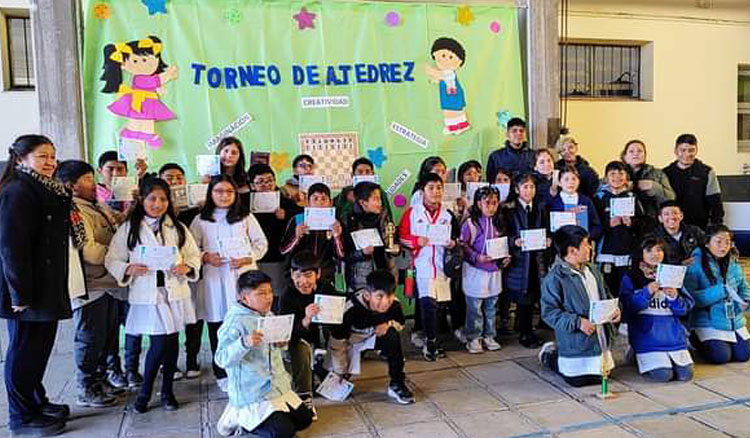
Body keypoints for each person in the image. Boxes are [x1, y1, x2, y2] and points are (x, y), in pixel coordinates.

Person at [0, 135, 81, 436]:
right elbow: (11, 246)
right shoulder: (18, 190)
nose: (50, 162)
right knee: (23, 351)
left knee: (39, 348)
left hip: (46, 286)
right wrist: (19, 293)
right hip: (26, 292)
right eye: (41, 156)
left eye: (52, 156)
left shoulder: (46, 188)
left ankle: (36, 402)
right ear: (21, 159)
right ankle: (21, 417)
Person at [105, 177, 202, 413]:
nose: (157, 204)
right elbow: (112, 258)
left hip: (174, 292)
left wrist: (187, 267)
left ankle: (167, 391)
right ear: (142, 200)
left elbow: (193, 255)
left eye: (163, 199)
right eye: (152, 199)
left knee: (170, 344)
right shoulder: (129, 228)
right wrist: (127, 268)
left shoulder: (177, 228)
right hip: (149, 295)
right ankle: (145, 393)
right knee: (159, 343)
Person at [188, 175, 268, 390]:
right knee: (218, 326)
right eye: (219, 191)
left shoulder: (245, 217)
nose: (224, 196)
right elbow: (191, 249)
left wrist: (247, 257)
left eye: (229, 191)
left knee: (245, 322)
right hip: (215, 279)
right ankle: (221, 371)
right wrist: (205, 256)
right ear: (210, 193)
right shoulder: (200, 220)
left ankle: (249, 366)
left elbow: (261, 243)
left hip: (241, 276)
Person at [56, 160, 126, 408]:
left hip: (107, 283)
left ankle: (100, 380)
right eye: (86, 179)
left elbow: (116, 226)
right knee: (89, 338)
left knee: (107, 337)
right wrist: (119, 254)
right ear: (70, 185)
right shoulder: (74, 211)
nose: (92, 184)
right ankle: (86, 387)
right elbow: (89, 251)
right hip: (91, 286)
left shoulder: (95, 206)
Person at [215, 271, 314, 437]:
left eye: (269, 291)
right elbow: (221, 359)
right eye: (261, 293)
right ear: (245, 297)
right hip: (254, 393)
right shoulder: (234, 323)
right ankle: (240, 419)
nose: (269, 297)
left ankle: (272, 418)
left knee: (305, 420)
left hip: (277, 386)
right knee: (283, 432)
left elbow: (275, 349)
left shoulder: (269, 314)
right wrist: (243, 343)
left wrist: (281, 344)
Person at [539, 225, 621, 387]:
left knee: (602, 377)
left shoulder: (593, 270)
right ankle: (550, 356)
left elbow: (606, 293)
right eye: (585, 244)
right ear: (572, 250)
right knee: (577, 382)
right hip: (575, 340)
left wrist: (615, 310)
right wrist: (578, 322)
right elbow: (549, 312)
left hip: (599, 336)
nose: (590, 248)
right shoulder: (555, 278)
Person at [328, 270, 415, 404]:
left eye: (389, 295)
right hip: (349, 343)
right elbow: (337, 342)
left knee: (392, 335)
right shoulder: (350, 309)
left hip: (372, 337)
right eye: (379, 296)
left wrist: (388, 323)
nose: (385, 302)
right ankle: (321, 362)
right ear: (367, 295)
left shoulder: (395, 305)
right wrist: (340, 371)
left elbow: (401, 324)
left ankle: (397, 383)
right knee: (332, 379)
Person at [399, 172, 460, 361]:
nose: (435, 192)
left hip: (442, 267)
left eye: (439, 188)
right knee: (428, 304)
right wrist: (417, 240)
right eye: (431, 188)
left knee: (440, 306)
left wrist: (453, 244)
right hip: (421, 265)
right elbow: (401, 238)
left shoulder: (447, 214)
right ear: (422, 191)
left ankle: (434, 339)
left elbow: (457, 239)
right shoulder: (412, 212)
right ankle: (430, 342)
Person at [620, 237, 695, 382]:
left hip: (673, 338)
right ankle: (636, 353)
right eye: (649, 250)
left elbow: (684, 309)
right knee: (664, 376)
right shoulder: (631, 276)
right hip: (647, 337)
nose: (655, 254)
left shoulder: (673, 274)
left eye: (659, 250)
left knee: (686, 375)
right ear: (641, 253)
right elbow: (627, 308)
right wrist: (646, 292)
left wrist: (674, 297)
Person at [276, 251, 339, 419]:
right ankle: (305, 397)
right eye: (297, 276)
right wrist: (306, 319)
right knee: (301, 350)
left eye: (308, 275)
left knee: (340, 341)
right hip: (297, 340)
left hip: (321, 341)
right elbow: (286, 335)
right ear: (291, 274)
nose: (303, 282)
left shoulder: (326, 287)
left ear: (317, 274)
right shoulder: (287, 296)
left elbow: (339, 312)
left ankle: (326, 372)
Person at [683, 224, 750, 364]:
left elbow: (744, 288)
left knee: (743, 355)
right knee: (720, 357)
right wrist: (720, 291)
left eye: (727, 242)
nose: (724, 246)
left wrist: (746, 302)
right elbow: (691, 297)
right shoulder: (695, 263)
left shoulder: (734, 262)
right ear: (707, 243)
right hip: (707, 321)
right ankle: (694, 338)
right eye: (718, 242)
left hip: (733, 319)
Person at [459, 186, 510, 353]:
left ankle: (489, 335)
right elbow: (463, 245)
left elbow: (504, 244)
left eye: (494, 203)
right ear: (478, 204)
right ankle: (473, 337)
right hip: (475, 271)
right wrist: (476, 257)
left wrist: (506, 258)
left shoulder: (500, 222)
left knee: (491, 306)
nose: (491, 207)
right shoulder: (470, 224)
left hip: (494, 271)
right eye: (487, 203)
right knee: (474, 307)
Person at [504, 173, 550, 348]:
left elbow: (548, 230)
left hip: (537, 259)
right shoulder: (509, 209)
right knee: (523, 296)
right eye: (525, 187)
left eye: (532, 187)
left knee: (533, 294)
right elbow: (502, 233)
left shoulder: (540, 207)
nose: (529, 190)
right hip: (519, 260)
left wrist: (549, 240)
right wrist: (513, 241)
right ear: (516, 189)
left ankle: (527, 330)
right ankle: (525, 333)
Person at [248, 163, 301, 295]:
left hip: (276, 257)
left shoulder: (285, 201)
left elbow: (299, 217)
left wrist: (286, 215)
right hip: (253, 257)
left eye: (270, 180)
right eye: (260, 182)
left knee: (276, 293)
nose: (266, 184)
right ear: (252, 185)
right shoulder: (245, 203)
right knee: (255, 293)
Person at [280, 182, 344, 288]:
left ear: (331, 202)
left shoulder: (336, 223)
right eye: (315, 199)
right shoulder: (298, 220)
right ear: (308, 202)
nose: (320, 203)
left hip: (325, 276)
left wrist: (337, 237)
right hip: (299, 277)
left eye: (324, 199)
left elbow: (341, 255)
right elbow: (283, 250)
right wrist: (296, 237)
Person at [593, 161, 641, 295]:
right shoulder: (599, 197)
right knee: (606, 288)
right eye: (612, 174)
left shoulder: (632, 197)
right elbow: (593, 223)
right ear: (606, 177)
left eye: (621, 173)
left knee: (626, 288)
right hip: (606, 251)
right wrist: (607, 224)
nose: (617, 177)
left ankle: (625, 315)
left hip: (627, 251)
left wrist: (631, 223)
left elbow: (643, 222)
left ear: (626, 177)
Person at [342, 181, 398, 293]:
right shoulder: (349, 220)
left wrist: (396, 248)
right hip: (361, 279)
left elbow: (393, 240)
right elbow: (345, 255)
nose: (380, 203)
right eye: (376, 199)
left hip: (385, 275)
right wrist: (362, 253)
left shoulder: (384, 216)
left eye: (380, 198)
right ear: (363, 202)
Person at [663, 133, 724, 229]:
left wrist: (715, 228)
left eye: (691, 150)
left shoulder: (706, 172)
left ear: (696, 151)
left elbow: (716, 204)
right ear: (675, 151)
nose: (687, 154)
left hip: (700, 228)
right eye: (682, 150)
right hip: (672, 228)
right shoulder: (665, 173)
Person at [620, 139, 674, 228]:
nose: (636, 154)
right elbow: (602, 190)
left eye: (640, 151)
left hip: (652, 223)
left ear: (645, 155)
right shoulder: (616, 174)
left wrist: (654, 187)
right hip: (624, 224)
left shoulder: (657, 173)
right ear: (625, 156)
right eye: (631, 151)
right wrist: (621, 187)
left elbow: (671, 198)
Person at [425, 37, 470, 135]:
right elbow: (441, 78)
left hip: (452, 94)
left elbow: (441, 76)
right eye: (443, 55)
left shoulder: (449, 72)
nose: (444, 60)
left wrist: (430, 71)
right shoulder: (447, 72)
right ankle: (461, 125)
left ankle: (455, 127)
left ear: (459, 62)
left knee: (450, 111)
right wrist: (435, 80)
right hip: (451, 94)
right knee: (455, 110)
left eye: (450, 57)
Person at [548, 166, 602, 241]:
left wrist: (588, 236)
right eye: (566, 179)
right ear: (559, 183)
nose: (571, 182)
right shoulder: (553, 202)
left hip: (582, 245)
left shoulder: (586, 201)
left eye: (574, 179)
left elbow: (596, 225)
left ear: (579, 181)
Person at [333, 157, 392, 222]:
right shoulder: (346, 193)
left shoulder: (380, 193)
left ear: (373, 174)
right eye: (360, 172)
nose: (364, 175)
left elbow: (387, 217)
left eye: (367, 172)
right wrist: (352, 204)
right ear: (352, 175)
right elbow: (337, 216)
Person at [95, 150, 147, 221]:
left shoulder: (135, 190)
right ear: (99, 171)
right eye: (110, 169)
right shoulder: (93, 193)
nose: (116, 174)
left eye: (120, 169)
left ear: (126, 171)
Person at [652, 200, 705, 265]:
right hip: (670, 272)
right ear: (660, 218)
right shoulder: (654, 237)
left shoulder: (694, 231)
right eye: (666, 214)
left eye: (675, 213)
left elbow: (707, 247)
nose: (671, 217)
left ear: (681, 216)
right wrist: (680, 263)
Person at [205, 137, 251, 210]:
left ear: (240, 156)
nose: (229, 156)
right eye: (226, 151)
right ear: (219, 152)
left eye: (234, 153)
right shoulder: (210, 178)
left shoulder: (247, 178)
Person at [486, 117, 533, 182]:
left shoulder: (533, 155)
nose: (518, 133)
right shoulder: (495, 157)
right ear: (507, 134)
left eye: (521, 131)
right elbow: (491, 182)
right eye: (514, 131)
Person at [555, 135, 599, 200]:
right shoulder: (556, 169)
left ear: (576, 148)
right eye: (563, 150)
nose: (567, 152)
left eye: (570, 147)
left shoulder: (588, 171)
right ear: (560, 153)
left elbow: (593, 192)